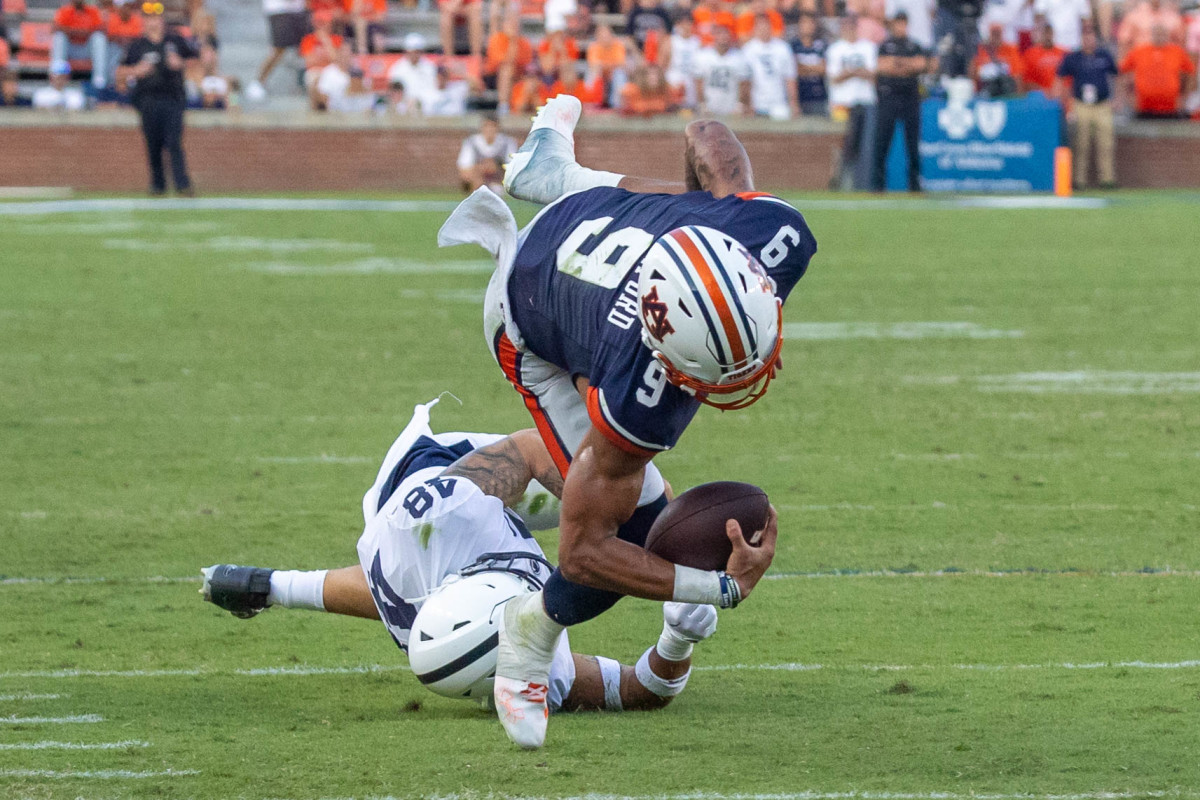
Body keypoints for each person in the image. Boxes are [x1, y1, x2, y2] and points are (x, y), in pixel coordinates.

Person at [440, 94, 816, 748]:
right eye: (713, 372)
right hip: (528, 310)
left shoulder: (772, 237)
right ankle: (529, 633)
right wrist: (714, 586)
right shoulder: (638, 388)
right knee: (637, 537)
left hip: (598, 219)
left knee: (702, 201)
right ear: (671, 359)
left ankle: (557, 179)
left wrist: (703, 207)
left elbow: (708, 135)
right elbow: (585, 552)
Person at [201, 399, 720, 715]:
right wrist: (679, 634)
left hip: (437, 470)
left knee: (635, 498)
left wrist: (276, 586)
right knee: (641, 518)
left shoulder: (443, 519)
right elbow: (640, 691)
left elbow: (534, 448)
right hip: (439, 549)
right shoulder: (529, 674)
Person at [117, 5, 196, 196]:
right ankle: (157, 184)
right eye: (148, 17)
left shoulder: (175, 40)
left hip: (173, 98)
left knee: (174, 141)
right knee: (153, 143)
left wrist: (180, 64)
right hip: (147, 100)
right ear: (144, 20)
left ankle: (182, 183)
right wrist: (137, 71)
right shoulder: (137, 46)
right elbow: (120, 74)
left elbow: (197, 61)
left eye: (156, 17)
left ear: (162, 19)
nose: (153, 21)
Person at [872, 12, 931, 192]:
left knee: (912, 144)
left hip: (910, 98)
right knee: (883, 142)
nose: (900, 27)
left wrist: (897, 64)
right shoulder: (885, 45)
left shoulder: (914, 45)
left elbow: (921, 65)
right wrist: (908, 66)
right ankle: (878, 186)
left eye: (903, 24)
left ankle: (914, 185)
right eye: (897, 24)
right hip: (889, 97)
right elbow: (883, 67)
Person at [1056, 27, 1118, 188]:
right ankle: (1079, 180)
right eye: (1086, 37)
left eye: (1091, 37)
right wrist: (1064, 99)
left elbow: (1117, 75)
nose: (1089, 40)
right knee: (1081, 142)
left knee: (1106, 143)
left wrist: (1117, 99)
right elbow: (1060, 77)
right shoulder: (1074, 57)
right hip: (1081, 103)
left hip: (1102, 104)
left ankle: (1107, 179)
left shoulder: (1103, 56)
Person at [825, 15, 877, 188]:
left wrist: (850, 72)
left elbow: (873, 74)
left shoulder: (868, 47)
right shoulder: (835, 49)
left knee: (861, 147)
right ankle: (840, 180)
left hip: (864, 102)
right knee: (842, 144)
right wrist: (856, 72)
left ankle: (858, 182)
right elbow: (835, 78)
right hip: (842, 103)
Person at [1120, 23, 1195, 118]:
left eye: (1163, 34)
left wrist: (1186, 96)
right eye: (1157, 34)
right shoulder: (1139, 51)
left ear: (1168, 35)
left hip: (1171, 108)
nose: (1160, 36)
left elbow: (1190, 73)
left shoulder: (1177, 52)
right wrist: (1127, 95)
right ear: (1152, 34)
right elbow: (1121, 71)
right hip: (1143, 107)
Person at [246, 0, 310, 102]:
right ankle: (259, 82)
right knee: (279, 48)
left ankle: (304, 84)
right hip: (279, 9)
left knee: (306, 47)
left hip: (299, 8)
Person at [741, 13, 799, 118]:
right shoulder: (748, 49)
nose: (763, 29)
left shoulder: (783, 48)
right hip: (757, 104)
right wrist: (747, 105)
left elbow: (790, 78)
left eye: (766, 25)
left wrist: (794, 103)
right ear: (755, 28)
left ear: (770, 27)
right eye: (760, 26)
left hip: (779, 103)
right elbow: (745, 81)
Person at [693, 23, 751, 115]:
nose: (723, 37)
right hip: (710, 107)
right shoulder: (703, 56)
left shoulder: (739, 57)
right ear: (714, 36)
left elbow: (744, 84)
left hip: (731, 108)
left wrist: (740, 105)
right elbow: (699, 82)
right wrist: (702, 104)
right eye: (720, 34)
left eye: (726, 34)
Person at [51, 0, 108, 91]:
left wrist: (73, 31)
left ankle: (99, 79)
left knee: (99, 38)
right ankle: (57, 75)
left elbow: (100, 28)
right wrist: (82, 31)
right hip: (70, 48)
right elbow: (56, 28)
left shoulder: (92, 11)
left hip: (87, 49)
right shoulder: (65, 11)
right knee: (59, 37)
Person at [457, 113, 517, 192]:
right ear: (481, 128)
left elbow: (514, 170)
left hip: (500, 182)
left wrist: (497, 166)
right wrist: (482, 168)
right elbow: (464, 170)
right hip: (478, 182)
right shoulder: (471, 142)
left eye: (493, 126)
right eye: (486, 126)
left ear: (498, 128)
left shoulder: (508, 142)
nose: (490, 130)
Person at [662, 11, 702, 109]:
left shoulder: (698, 42)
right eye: (682, 23)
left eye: (688, 23)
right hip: (673, 81)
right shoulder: (670, 41)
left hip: (692, 83)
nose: (686, 26)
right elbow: (662, 65)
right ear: (677, 25)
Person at [792, 13, 829, 116]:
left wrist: (803, 67)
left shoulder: (822, 45)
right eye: (804, 23)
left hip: (819, 97)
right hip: (800, 97)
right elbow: (794, 70)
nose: (808, 26)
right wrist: (815, 68)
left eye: (810, 23)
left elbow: (824, 69)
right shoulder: (793, 46)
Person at [971, 20, 1022, 94]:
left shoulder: (1010, 50)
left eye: (998, 33)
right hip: (985, 87)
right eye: (994, 33)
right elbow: (973, 73)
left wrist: (1018, 96)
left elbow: (1017, 74)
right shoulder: (981, 50)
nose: (996, 36)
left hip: (1006, 88)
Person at [1117, 0, 1184, 56]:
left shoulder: (1173, 17)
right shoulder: (1133, 16)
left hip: (1168, 65)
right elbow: (1124, 43)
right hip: (1141, 64)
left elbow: (1180, 42)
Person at [103, 0, 142, 89]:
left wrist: (124, 39)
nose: (126, 9)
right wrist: (123, 39)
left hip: (132, 47)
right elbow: (111, 37)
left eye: (128, 7)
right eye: (124, 7)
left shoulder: (136, 18)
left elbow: (138, 37)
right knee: (114, 50)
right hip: (116, 47)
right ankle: (110, 82)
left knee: (136, 49)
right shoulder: (113, 18)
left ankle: (133, 82)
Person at [1021, 21, 1065, 93]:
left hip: (1060, 94)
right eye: (1045, 33)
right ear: (1041, 34)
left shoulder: (1063, 53)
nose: (1048, 36)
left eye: (1050, 33)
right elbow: (1026, 80)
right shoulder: (1030, 54)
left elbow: (1068, 79)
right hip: (1039, 96)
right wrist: (1044, 92)